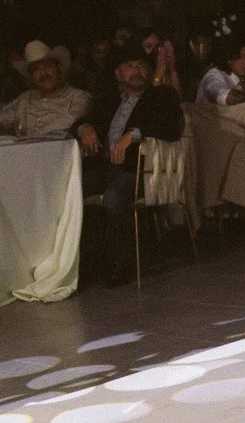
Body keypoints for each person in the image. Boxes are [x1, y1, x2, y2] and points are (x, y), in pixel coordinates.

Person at [78, 54, 184, 281]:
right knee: (70, 188)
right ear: (118, 73)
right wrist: (84, 127)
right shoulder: (110, 101)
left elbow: (168, 125)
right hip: (107, 167)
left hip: (142, 169)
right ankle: (82, 262)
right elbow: (83, 120)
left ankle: (121, 263)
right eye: (129, 65)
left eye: (141, 66)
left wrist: (133, 134)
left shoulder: (160, 95)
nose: (135, 71)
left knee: (115, 196)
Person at [0, 40, 92, 138]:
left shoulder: (78, 97)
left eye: (48, 66)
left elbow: (71, 121)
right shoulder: (26, 99)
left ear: (59, 69)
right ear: (31, 76)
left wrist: (29, 138)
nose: (43, 73)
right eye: (36, 69)